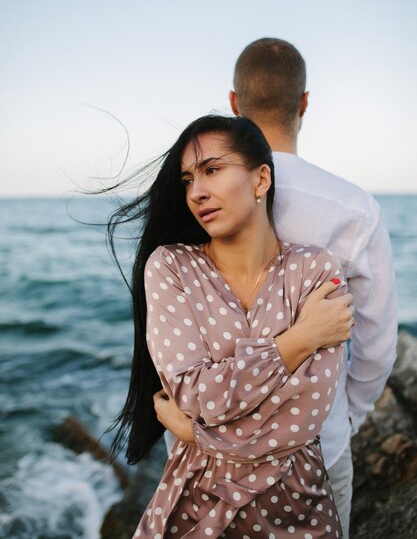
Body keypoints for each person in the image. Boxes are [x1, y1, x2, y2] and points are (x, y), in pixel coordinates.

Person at [109, 114, 355, 538]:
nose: (197, 192)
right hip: (196, 506)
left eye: (212, 170)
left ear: (261, 180)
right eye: (187, 180)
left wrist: (196, 434)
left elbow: (303, 421)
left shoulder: (314, 269)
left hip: (297, 510)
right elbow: (192, 393)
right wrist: (300, 340)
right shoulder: (171, 267)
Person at [226, 38, 398, 537]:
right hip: (321, 445)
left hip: (210, 453)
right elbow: (378, 346)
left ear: (234, 104)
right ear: (304, 103)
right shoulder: (353, 207)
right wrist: (342, 422)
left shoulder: (196, 198)